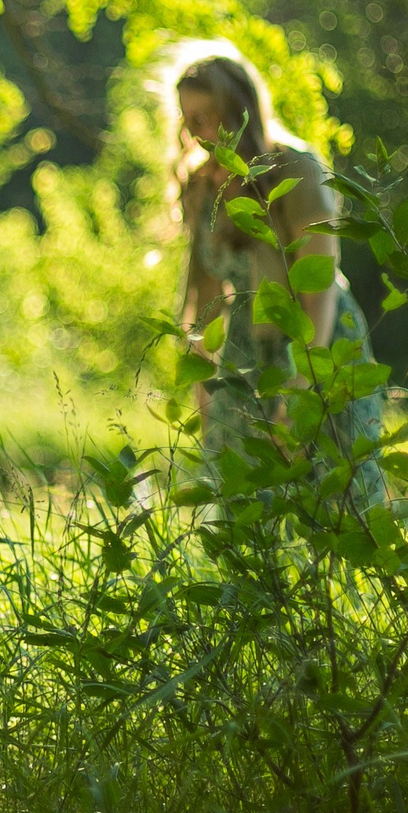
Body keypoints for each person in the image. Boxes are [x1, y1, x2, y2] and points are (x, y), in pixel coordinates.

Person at [169, 47, 387, 510]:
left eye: (207, 116)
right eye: (189, 120)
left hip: (318, 338)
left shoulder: (296, 169)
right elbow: (202, 301)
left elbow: (320, 283)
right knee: (240, 498)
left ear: (237, 110)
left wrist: (304, 384)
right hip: (247, 352)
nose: (197, 131)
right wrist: (205, 393)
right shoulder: (201, 190)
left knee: (341, 495)